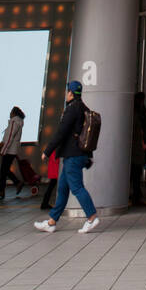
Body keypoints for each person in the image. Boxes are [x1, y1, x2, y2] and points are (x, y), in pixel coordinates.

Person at [34, 79, 100, 234]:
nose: (66, 94)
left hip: (73, 155)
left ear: (70, 93)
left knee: (77, 187)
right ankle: (51, 222)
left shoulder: (72, 109)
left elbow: (61, 132)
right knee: (63, 189)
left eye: (67, 91)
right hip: (78, 155)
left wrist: (47, 151)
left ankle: (91, 217)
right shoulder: (84, 108)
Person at [0, 107, 25, 199]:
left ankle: (3, 191)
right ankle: (14, 184)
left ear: (14, 113)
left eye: (11, 112)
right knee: (4, 170)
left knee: (3, 171)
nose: (9, 113)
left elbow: (9, 137)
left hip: (9, 150)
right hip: (13, 149)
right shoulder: (19, 122)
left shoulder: (14, 122)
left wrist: (2, 150)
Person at [130, 91, 146, 209]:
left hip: (134, 150)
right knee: (136, 174)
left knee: (134, 174)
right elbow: (140, 132)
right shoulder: (136, 115)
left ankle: (135, 195)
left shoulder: (134, 114)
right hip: (135, 150)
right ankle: (136, 196)